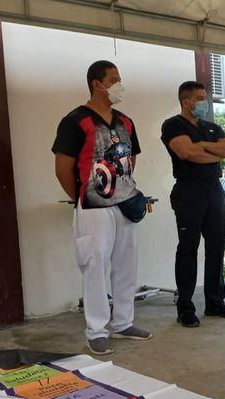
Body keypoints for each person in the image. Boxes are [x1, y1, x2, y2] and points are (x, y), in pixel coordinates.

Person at [52, 60, 152, 355]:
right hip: (94, 207)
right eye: (114, 80)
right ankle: (96, 331)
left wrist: (122, 189)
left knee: (126, 263)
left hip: (126, 202)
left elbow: (132, 158)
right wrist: (85, 197)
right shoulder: (75, 121)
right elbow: (62, 169)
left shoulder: (126, 121)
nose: (120, 85)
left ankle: (123, 323)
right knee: (94, 265)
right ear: (97, 84)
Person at [161, 81, 225, 327]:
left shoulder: (211, 127)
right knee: (188, 248)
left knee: (217, 247)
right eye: (199, 98)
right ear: (186, 102)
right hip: (189, 190)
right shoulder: (173, 125)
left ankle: (215, 302)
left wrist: (203, 145)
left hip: (214, 189)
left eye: (205, 97)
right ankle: (185, 307)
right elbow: (187, 153)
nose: (205, 102)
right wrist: (214, 154)